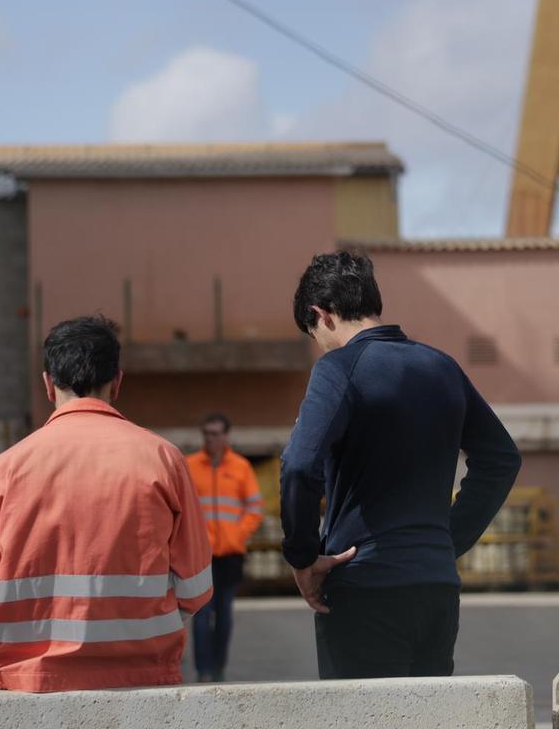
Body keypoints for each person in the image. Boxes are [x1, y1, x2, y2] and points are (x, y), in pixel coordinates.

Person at [280, 251, 521, 679]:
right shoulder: (442, 367)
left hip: (365, 588)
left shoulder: (338, 369)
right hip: (436, 588)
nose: (320, 345)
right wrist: (447, 540)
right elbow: (501, 458)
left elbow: (300, 465)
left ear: (323, 315)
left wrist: (303, 557)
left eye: (314, 333)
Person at [0, 316, 212, 692]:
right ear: (118, 381)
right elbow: (195, 590)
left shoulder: (5, 470)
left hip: (25, 686)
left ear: (48, 384)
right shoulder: (164, 459)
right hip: (142, 682)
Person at [187, 412, 265, 682]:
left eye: (216, 433)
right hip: (201, 556)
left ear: (226, 435)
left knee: (224, 615)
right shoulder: (190, 466)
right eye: (207, 433)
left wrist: (238, 533)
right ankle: (203, 671)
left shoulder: (241, 467)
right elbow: (182, 510)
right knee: (201, 614)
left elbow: (255, 508)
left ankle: (218, 667)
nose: (211, 438)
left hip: (230, 554)